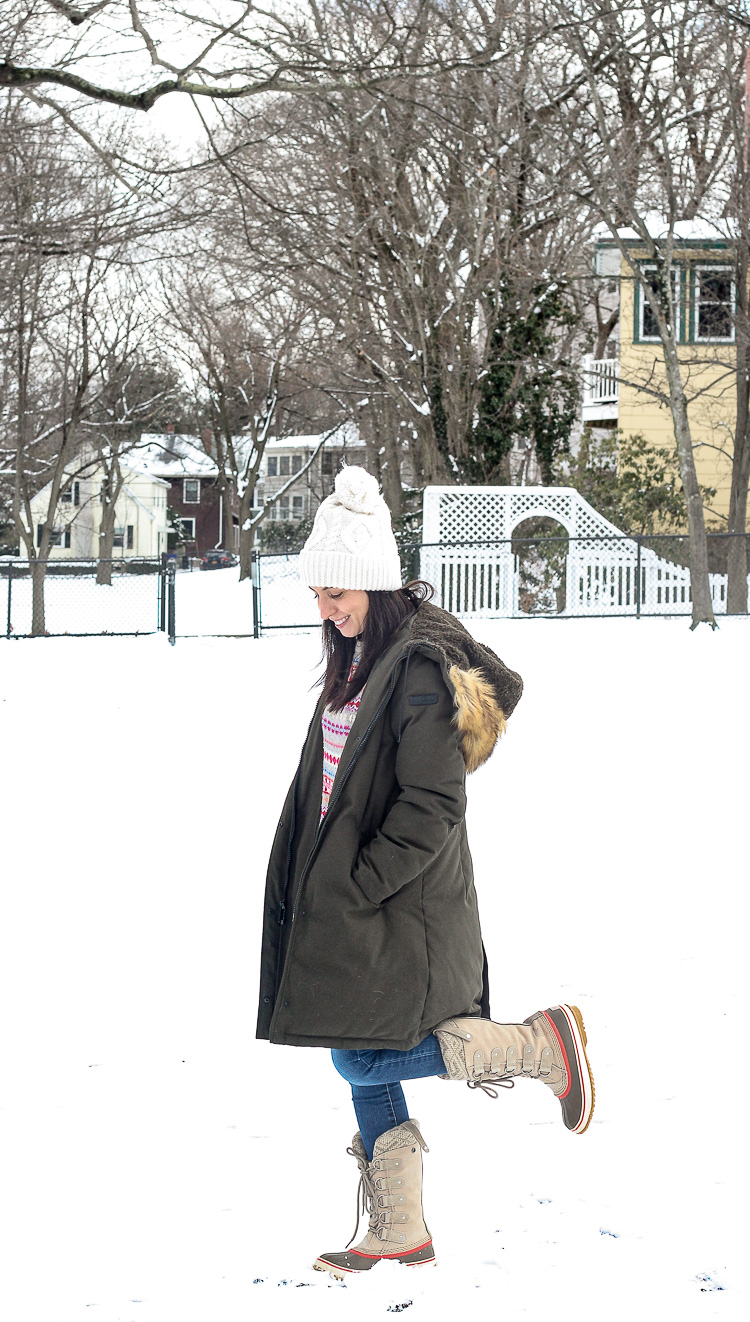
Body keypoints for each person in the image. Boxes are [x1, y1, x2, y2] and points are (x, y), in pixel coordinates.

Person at [256, 466, 595, 1282]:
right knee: (353, 1048)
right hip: (351, 899)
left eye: (336, 592)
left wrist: (358, 883)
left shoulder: (413, 673)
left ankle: (536, 1046)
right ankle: (398, 1228)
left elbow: (432, 805)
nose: (325, 609)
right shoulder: (359, 663)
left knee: (366, 1056)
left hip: (395, 903)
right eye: (317, 595)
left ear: (372, 583)